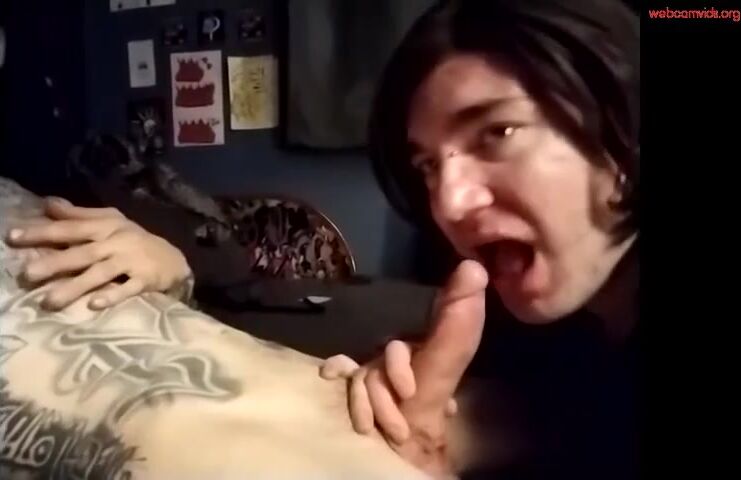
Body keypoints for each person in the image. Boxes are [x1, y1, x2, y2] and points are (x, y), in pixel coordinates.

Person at [5, 0, 640, 478]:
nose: (448, 203)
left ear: (621, 129)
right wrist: (178, 263)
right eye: (427, 166)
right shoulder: (549, 338)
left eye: (497, 133)